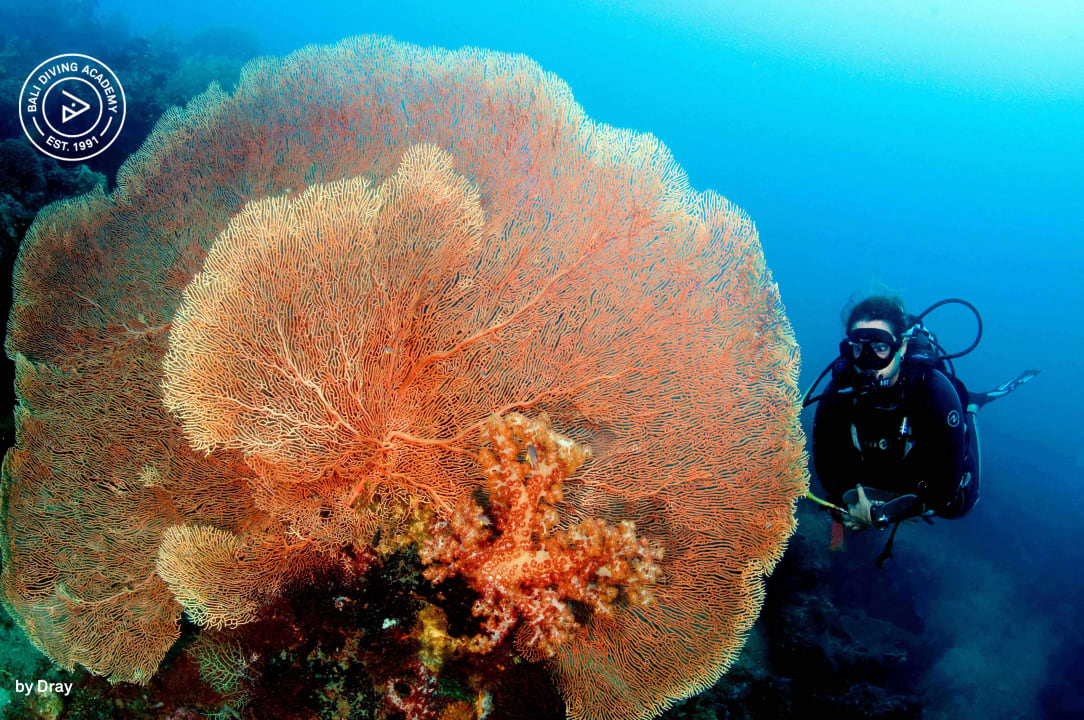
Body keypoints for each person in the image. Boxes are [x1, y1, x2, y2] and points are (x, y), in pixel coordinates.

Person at [809, 294, 1037, 544]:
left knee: (958, 505)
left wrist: (882, 514)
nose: (868, 362)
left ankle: (970, 408)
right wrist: (851, 505)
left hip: (921, 469)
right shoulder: (839, 392)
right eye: (858, 348)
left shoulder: (935, 391)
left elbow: (944, 488)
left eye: (880, 348)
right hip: (881, 467)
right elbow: (827, 469)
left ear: (902, 347)